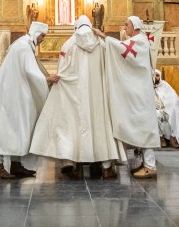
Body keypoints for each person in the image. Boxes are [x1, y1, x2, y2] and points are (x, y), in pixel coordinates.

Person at [30, 16, 123, 178]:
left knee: (74, 127)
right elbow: (110, 66)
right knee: (100, 126)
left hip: (75, 94)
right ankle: (107, 168)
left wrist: (62, 84)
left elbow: (62, 70)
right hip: (97, 95)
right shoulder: (101, 44)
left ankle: (76, 167)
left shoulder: (69, 44)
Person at [0, 21, 57, 179]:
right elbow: (31, 72)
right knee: (5, 129)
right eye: (42, 36)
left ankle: (16, 164)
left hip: (15, 93)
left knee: (17, 129)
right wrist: (48, 78)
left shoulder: (22, 44)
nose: (43, 39)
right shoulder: (24, 47)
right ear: (35, 33)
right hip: (11, 95)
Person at [97, 15, 160, 179]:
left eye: (127, 25)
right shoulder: (138, 40)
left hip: (141, 94)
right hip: (138, 92)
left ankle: (150, 166)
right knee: (141, 126)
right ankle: (147, 163)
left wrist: (102, 35)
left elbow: (120, 48)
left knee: (144, 127)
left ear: (135, 26)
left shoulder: (139, 41)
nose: (125, 28)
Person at [153, 69, 179, 150]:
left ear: (160, 77)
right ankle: (161, 137)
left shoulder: (165, 85)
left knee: (175, 113)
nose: (155, 77)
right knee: (155, 115)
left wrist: (173, 105)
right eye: (154, 75)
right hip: (156, 110)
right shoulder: (149, 87)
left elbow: (173, 96)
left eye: (157, 75)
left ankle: (173, 137)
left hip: (166, 109)